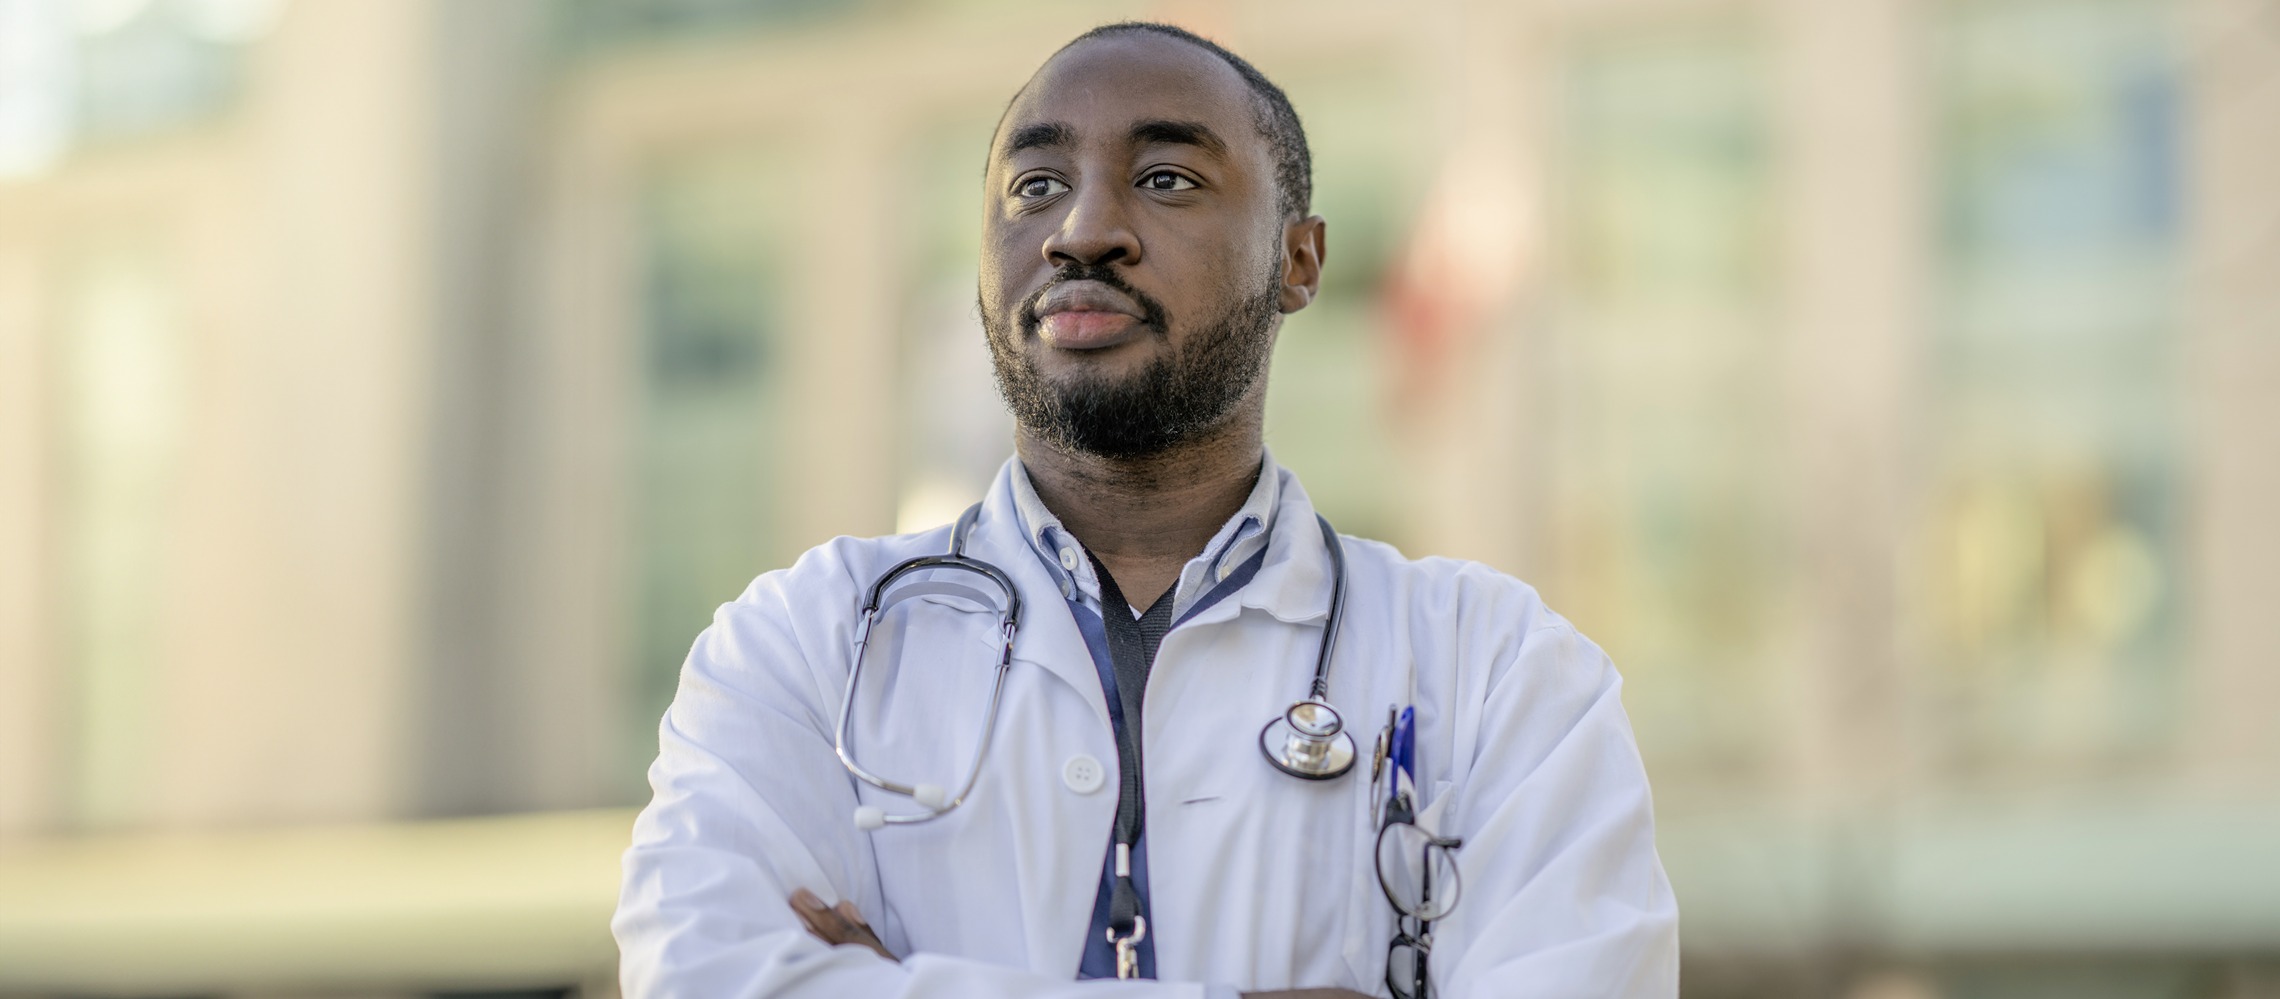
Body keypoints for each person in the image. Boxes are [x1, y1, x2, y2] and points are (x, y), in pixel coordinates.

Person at [612, 21, 1678, 999]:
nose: (1082, 232)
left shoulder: (1502, 673)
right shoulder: (803, 643)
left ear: (1298, 262)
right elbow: (702, 973)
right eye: (1033, 188)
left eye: (1165, 178)